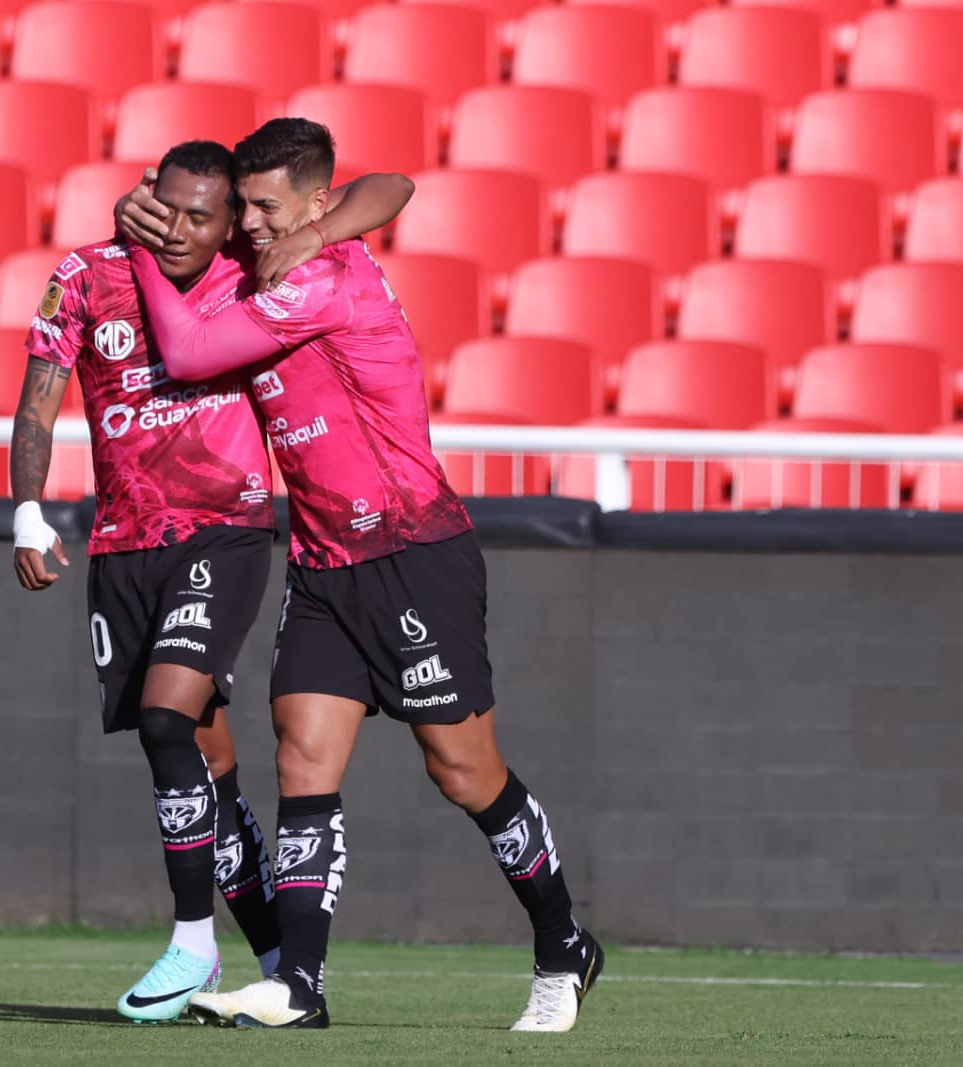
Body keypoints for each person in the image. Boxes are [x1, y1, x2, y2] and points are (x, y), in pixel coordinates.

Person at [120, 118, 604, 1032]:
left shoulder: (328, 277)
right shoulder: (268, 269)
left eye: (269, 207)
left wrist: (151, 254)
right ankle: (298, 985)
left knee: (463, 773)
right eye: (247, 207)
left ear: (316, 204)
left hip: (413, 554)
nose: (252, 223)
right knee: (302, 757)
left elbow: (188, 350)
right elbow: (387, 187)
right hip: (323, 561)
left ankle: (563, 940)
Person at [9, 138, 415, 1024]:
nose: (186, 229)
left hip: (225, 533)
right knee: (208, 768)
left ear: (232, 219)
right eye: (173, 209)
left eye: (207, 215)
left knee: (164, 722)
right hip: (122, 543)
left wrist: (317, 232)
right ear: (147, 197)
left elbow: (392, 184)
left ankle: (193, 939)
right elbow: (39, 392)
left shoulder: (252, 263)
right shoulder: (85, 273)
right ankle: (281, 968)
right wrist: (28, 510)